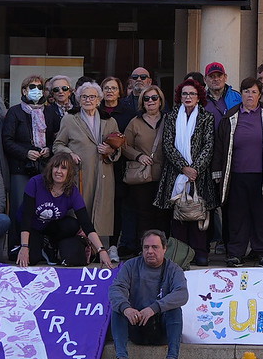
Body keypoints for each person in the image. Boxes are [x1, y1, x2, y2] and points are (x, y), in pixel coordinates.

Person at [216, 76, 263, 266]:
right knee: (236, 216)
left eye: (254, 92)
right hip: (236, 175)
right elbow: (219, 145)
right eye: (246, 91)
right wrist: (217, 172)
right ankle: (235, 253)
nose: (250, 95)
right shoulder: (230, 116)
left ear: (260, 94)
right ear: (240, 94)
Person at [107, 230, 189, 359]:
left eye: (155, 247)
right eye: (146, 247)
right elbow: (116, 289)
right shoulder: (130, 266)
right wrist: (127, 308)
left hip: (161, 328)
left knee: (175, 310)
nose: (150, 251)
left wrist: (154, 308)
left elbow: (182, 294)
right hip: (136, 325)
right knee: (118, 309)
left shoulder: (174, 269)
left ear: (165, 249)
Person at [18, 152, 113, 268]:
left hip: (51, 227)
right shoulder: (35, 183)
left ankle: (50, 246)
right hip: (31, 227)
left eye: (64, 168)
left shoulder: (72, 191)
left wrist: (101, 250)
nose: (59, 171)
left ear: (69, 173)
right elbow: (26, 216)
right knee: (30, 259)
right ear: (50, 168)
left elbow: (86, 223)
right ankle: (35, 247)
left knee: (72, 224)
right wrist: (24, 246)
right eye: (56, 166)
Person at [161, 79, 219, 260]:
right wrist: (184, 168)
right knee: (179, 215)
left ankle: (200, 254)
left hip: (199, 175)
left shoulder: (206, 117)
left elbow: (209, 146)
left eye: (192, 94)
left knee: (198, 213)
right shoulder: (171, 117)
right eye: (185, 94)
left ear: (198, 97)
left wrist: (195, 169)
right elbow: (168, 145)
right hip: (176, 173)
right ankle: (180, 256)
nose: (188, 97)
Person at [56, 81, 119, 243]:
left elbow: (119, 148)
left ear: (99, 100)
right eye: (84, 97)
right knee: (80, 209)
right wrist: (69, 154)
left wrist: (110, 151)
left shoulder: (109, 121)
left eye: (92, 97)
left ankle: (100, 248)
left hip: (103, 173)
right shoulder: (70, 119)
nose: (88, 100)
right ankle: (80, 246)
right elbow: (58, 145)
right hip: (80, 173)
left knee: (102, 211)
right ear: (78, 99)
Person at [2, 75, 63, 220]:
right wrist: (26, 153)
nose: (36, 90)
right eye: (32, 87)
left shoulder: (49, 112)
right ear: (24, 91)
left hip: (44, 166)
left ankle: (39, 242)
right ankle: (17, 242)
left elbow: (57, 138)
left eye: (39, 87)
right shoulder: (15, 112)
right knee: (20, 207)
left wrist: (49, 149)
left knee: (43, 208)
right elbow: (7, 141)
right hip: (20, 168)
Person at [118, 84, 168, 258]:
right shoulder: (135, 122)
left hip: (164, 175)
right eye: (146, 99)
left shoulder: (169, 120)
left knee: (162, 215)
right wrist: (138, 156)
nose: (151, 102)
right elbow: (124, 146)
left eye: (154, 98)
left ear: (160, 100)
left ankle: (162, 250)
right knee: (144, 215)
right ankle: (146, 250)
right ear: (142, 102)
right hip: (142, 177)